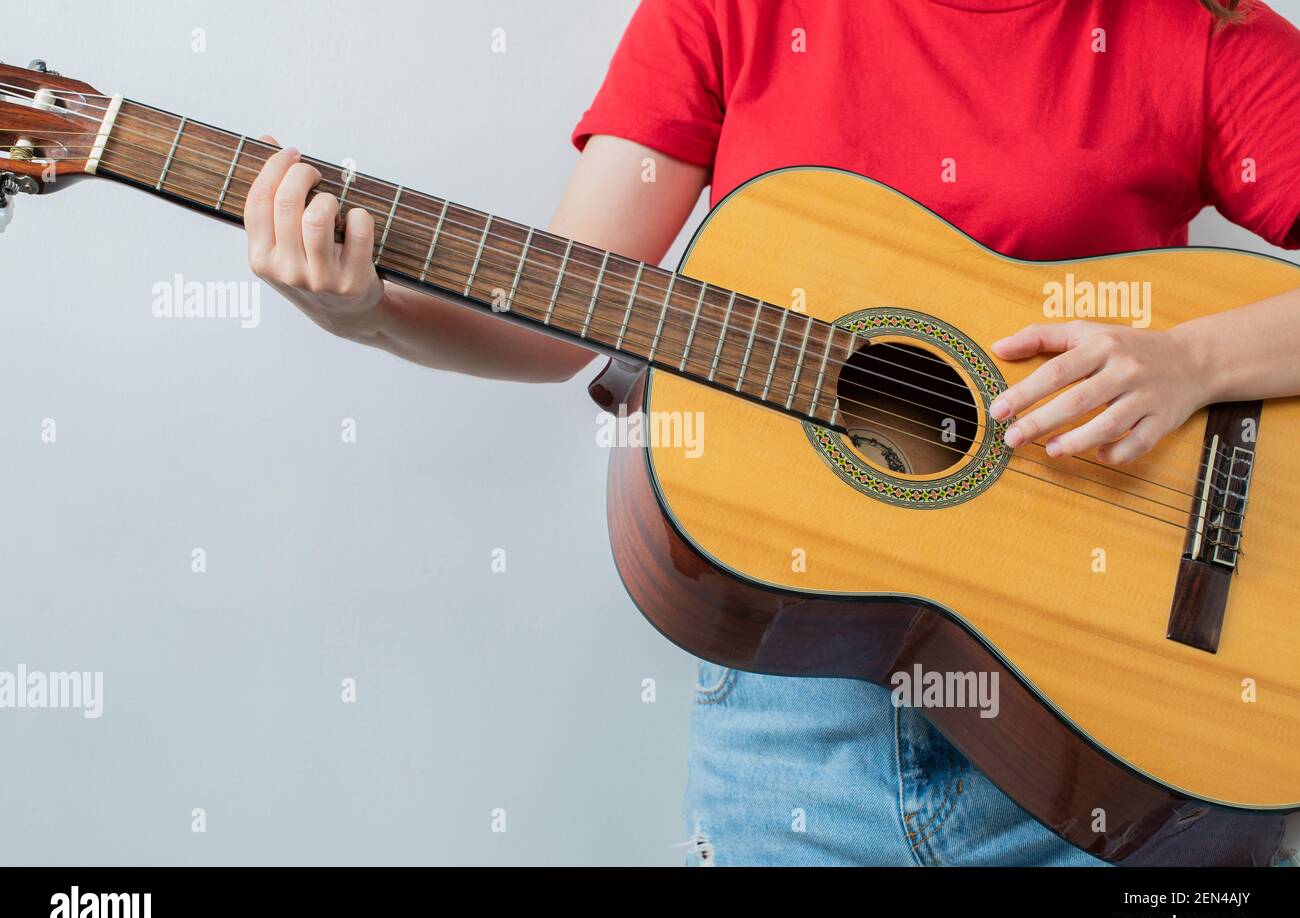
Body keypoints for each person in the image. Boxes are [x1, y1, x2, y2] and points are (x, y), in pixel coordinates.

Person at [243, 0, 1300, 865]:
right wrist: (369, 312)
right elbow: (564, 307)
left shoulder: (1196, 34)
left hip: (1118, 731)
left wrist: (1194, 362)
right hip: (787, 743)